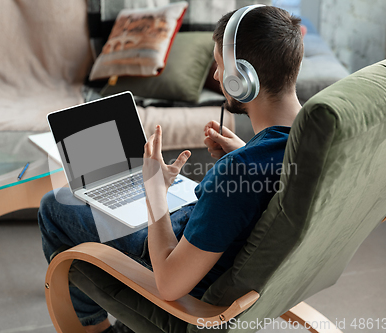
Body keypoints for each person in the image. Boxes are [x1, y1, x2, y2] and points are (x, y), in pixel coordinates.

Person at [38, 5, 304, 333]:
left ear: (243, 80)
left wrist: (155, 195)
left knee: (55, 207)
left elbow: (169, 284)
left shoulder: (238, 170)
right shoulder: (314, 141)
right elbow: (273, 175)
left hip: (189, 277)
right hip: (222, 248)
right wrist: (248, 151)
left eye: (219, 67)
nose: (218, 76)